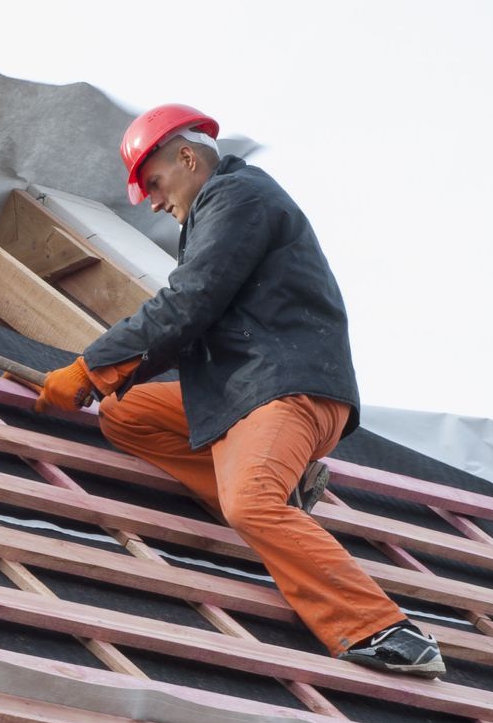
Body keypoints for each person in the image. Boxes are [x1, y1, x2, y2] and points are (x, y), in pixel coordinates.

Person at [35, 103, 444, 676]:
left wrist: (90, 369)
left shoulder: (237, 198)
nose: (152, 201)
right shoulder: (217, 210)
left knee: (249, 503)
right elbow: (188, 322)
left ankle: (384, 630)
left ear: (186, 155)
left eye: (153, 183)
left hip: (286, 391)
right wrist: (107, 381)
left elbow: (186, 306)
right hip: (241, 393)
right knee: (125, 414)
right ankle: (283, 489)